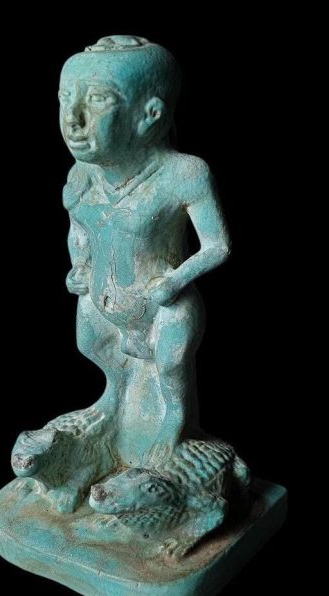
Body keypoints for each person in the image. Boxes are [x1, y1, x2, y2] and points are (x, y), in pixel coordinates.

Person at [60, 36, 230, 465]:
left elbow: (218, 245)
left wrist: (175, 280)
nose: (73, 119)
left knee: (170, 363)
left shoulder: (183, 174)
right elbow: (79, 226)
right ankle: (114, 397)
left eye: (97, 100)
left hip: (163, 305)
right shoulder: (82, 175)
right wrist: (80, 263)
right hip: (103, 298)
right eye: (64, 99)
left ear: (150, 114)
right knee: (90, 343)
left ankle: (175, 420)